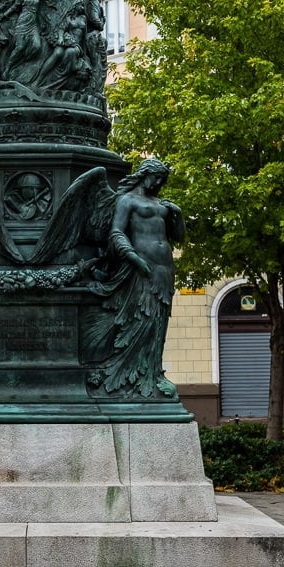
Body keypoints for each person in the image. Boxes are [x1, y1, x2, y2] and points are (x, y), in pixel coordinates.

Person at [85, 158, 186, 397]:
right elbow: (116, 232)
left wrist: (178, 215)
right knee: (142, 319)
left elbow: (179, 237)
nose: (159, 183)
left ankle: (153, 372)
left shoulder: (162, 204)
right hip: (141, 268)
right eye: (156, 177)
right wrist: (133, 257)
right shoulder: (127, 200)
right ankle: (132, 378)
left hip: (163, 270)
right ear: (145, 174)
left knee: (158, 321)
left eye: (162, 179)